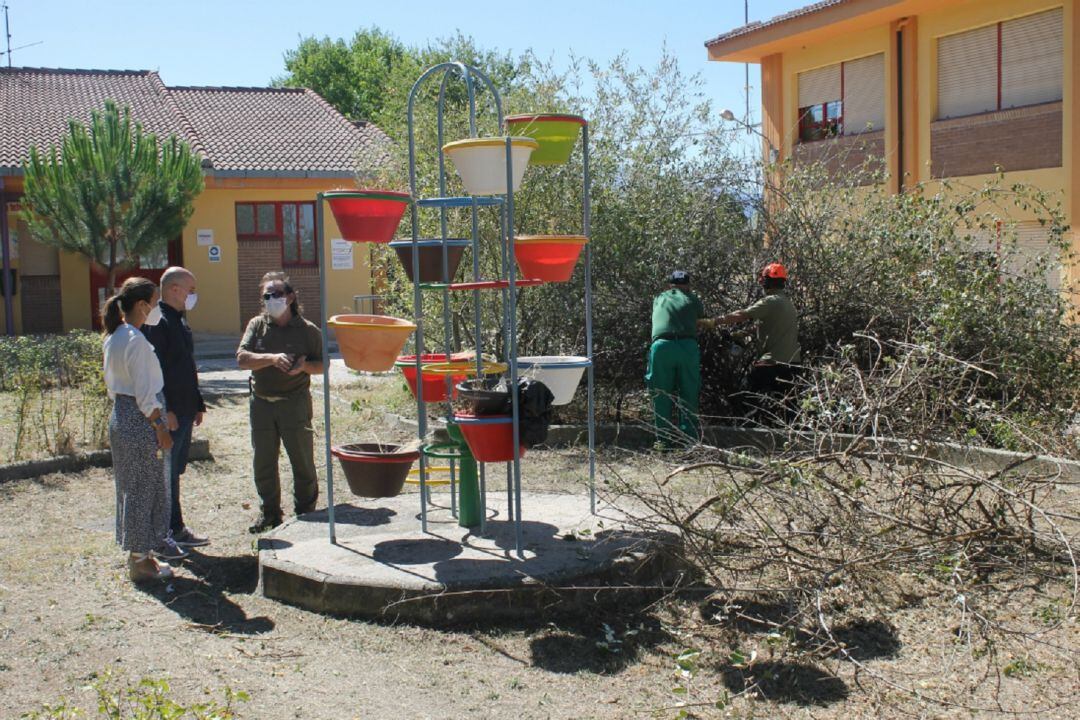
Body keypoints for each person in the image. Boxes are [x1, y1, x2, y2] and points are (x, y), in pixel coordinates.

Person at [236, 272, 324, 533]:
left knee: (302, 460)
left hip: (294, 404)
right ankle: (270, 513)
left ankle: (306, 513)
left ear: (291, 297)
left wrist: (304, 366)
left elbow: (323, 365)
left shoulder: (308, 331)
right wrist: (272, 359)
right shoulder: (257, 325)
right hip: (261, 404)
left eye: (277, 294)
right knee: (263, 461)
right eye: (267, 296)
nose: (272, 299)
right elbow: (242, 359)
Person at [101, 277, 176, 583]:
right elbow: (145, 393)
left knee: (132, 487)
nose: (158, 307)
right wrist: (159, 425)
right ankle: (140, 560)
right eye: (155, 301)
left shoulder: (115, 336)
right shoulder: (136, 341)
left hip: (122, 415)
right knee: (145, 488)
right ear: (143, 305)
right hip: (142, 420)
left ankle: (142, 554)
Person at [142, 266, 210, 552]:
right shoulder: (158, 322)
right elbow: (155, 371)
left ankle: (173, 527)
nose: (193, 296)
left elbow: (186, 366)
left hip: (184, 409)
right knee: (165, 474)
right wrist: (164, 409)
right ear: (174, 289)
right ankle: (170, 531)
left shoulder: (179, 320)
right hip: (170, 412)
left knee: (174, 471)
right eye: (190, 290)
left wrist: (197, 404)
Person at [713, 262, 802, 403]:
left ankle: (743, 423)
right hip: (793, 363)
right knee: (788, 406)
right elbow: (767, 325)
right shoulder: (787, 303)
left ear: (766, 282)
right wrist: (741, 334)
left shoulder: (770, 301)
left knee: (746, 397)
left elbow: (742, 315)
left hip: (771, 363)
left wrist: (714, 322)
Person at [646, 270, 715, 447]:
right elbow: (701, 318)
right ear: (688, 285)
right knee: (689, 393)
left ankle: (663, 442)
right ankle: (689, 441)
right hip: (687, 346)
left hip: (661, 346)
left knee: (660, 393)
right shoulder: (692, 298)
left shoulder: (660, 298)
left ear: (670, 285)